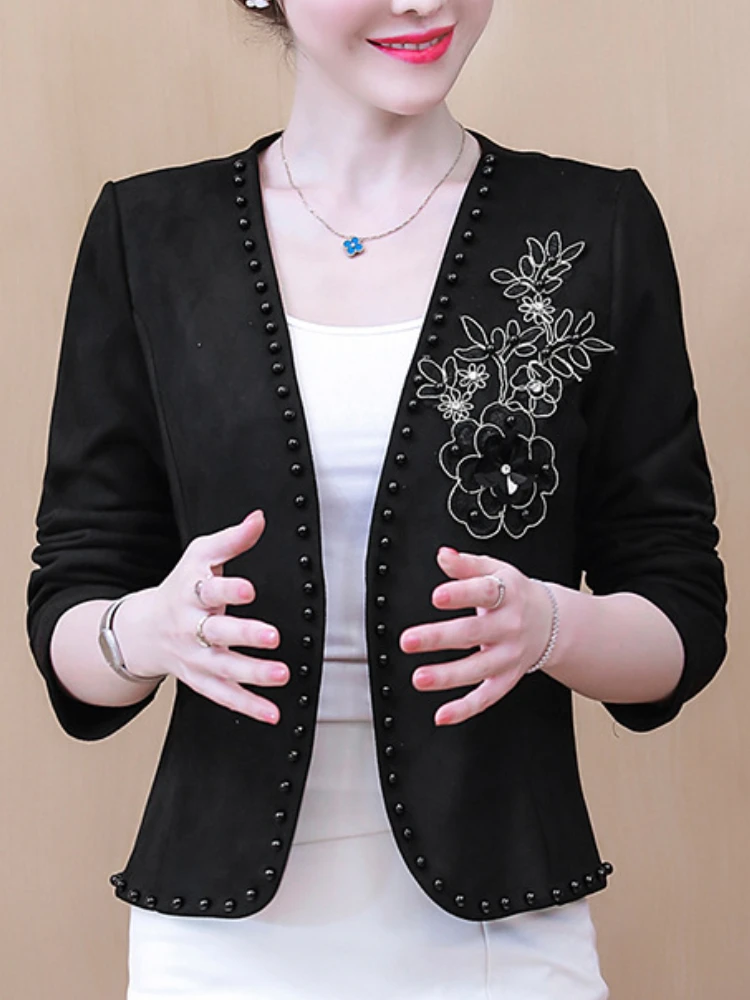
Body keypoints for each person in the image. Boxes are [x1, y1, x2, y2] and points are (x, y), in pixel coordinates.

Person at [27, 0, 727, 997]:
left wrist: (550, 626)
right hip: (219, 948)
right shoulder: (149, 236)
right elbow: (70, 602)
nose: (420, 0)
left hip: (502, 935)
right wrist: (148, 631)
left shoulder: (591, 226)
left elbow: (681, 616)